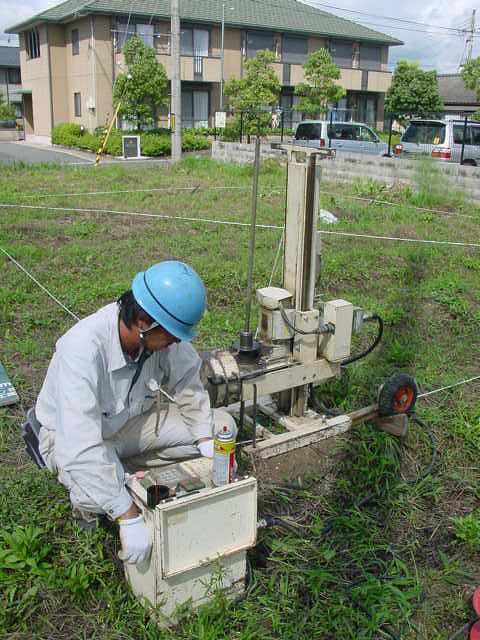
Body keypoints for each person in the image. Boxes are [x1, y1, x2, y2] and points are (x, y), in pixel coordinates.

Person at [35, 260, 236, 565]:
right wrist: (127, 516)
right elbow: (80, 445)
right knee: (94, 494)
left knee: (222, 428)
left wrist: (204, 439)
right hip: (72, 441)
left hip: (127, 426)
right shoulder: (81, 351)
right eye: (171, 334)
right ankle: (104, 492)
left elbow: (187, 382)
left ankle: (123, 472)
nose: (176, 341)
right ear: (143, 321)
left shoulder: (159, 337)